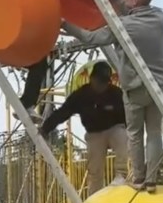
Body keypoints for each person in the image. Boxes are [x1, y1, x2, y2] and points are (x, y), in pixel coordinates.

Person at [61, 0, 163, 192]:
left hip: (135, 88)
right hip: (159, 85)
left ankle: (138, 179)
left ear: (134, 1)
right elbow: (134, 10)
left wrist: (65, 24)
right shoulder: (159, 17)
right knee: (155, 133)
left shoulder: (123, 26)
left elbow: (90, 37)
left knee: (135, 134)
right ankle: (152, 180)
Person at [39, 61, 128, 192]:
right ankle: (94, 196)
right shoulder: (81, 95)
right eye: (99, 81)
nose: (101, 86)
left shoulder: (116, 93)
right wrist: (46, 128)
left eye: (104, 82)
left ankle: (121, 174)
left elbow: (129, 114)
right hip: (94, 133)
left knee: (122, 136)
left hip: (114, 128)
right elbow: (63, 112)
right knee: (94, 168)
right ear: (92, 78)